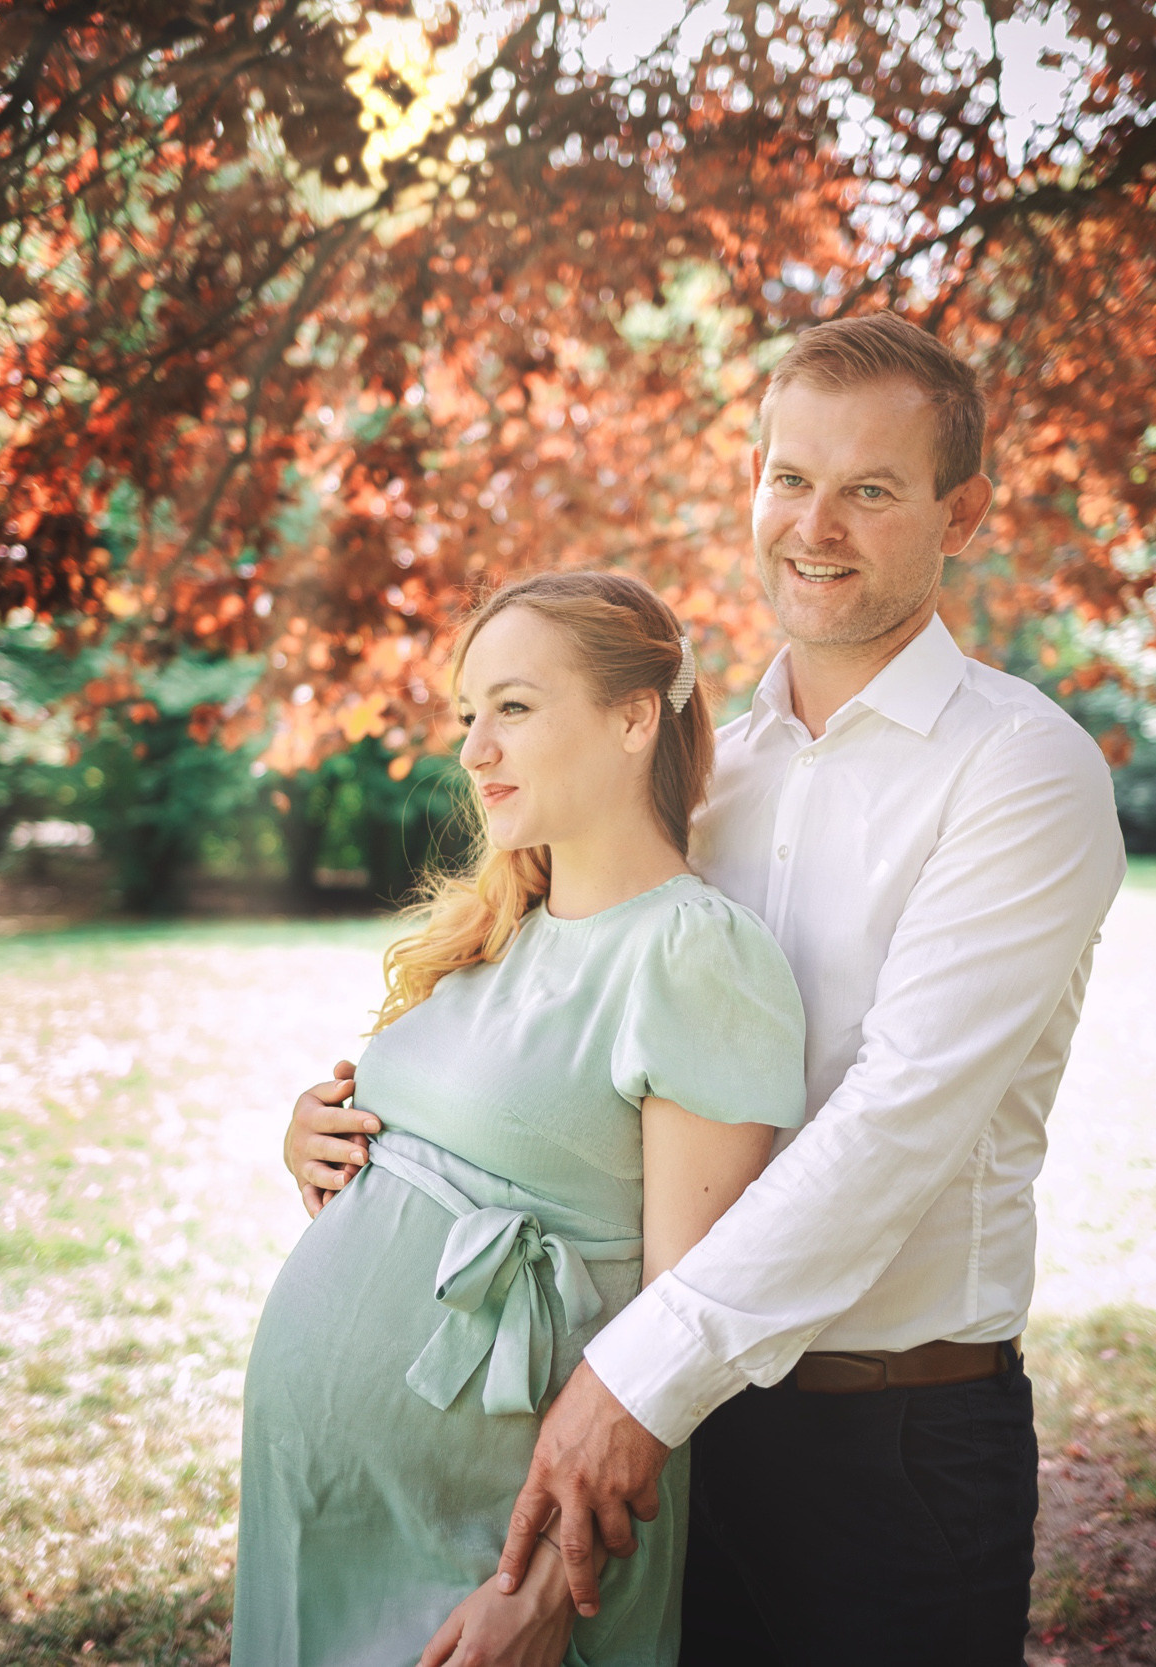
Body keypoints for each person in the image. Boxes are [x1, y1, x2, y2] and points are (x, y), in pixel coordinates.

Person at [285, 313, 1126, 1664]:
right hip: (672, 1431)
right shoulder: (701, 777)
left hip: (887, 1440)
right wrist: (362, 1135)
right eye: (790, 478)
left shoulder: (1020, 772)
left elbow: (896, 1120)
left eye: (871, 487)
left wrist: (634, 1378)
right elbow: (551, 1022)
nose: (817, 523)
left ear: (961, 509)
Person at [234, 571, 811, 1667]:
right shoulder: (505, 930)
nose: (473, 748)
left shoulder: (691, 952)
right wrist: (317, 1134)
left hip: (494, 1554)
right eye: (467, 714)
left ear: (633, 717)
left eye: (512, 706)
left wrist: (540, 1590)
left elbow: (675, 1328)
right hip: (332, 1516)